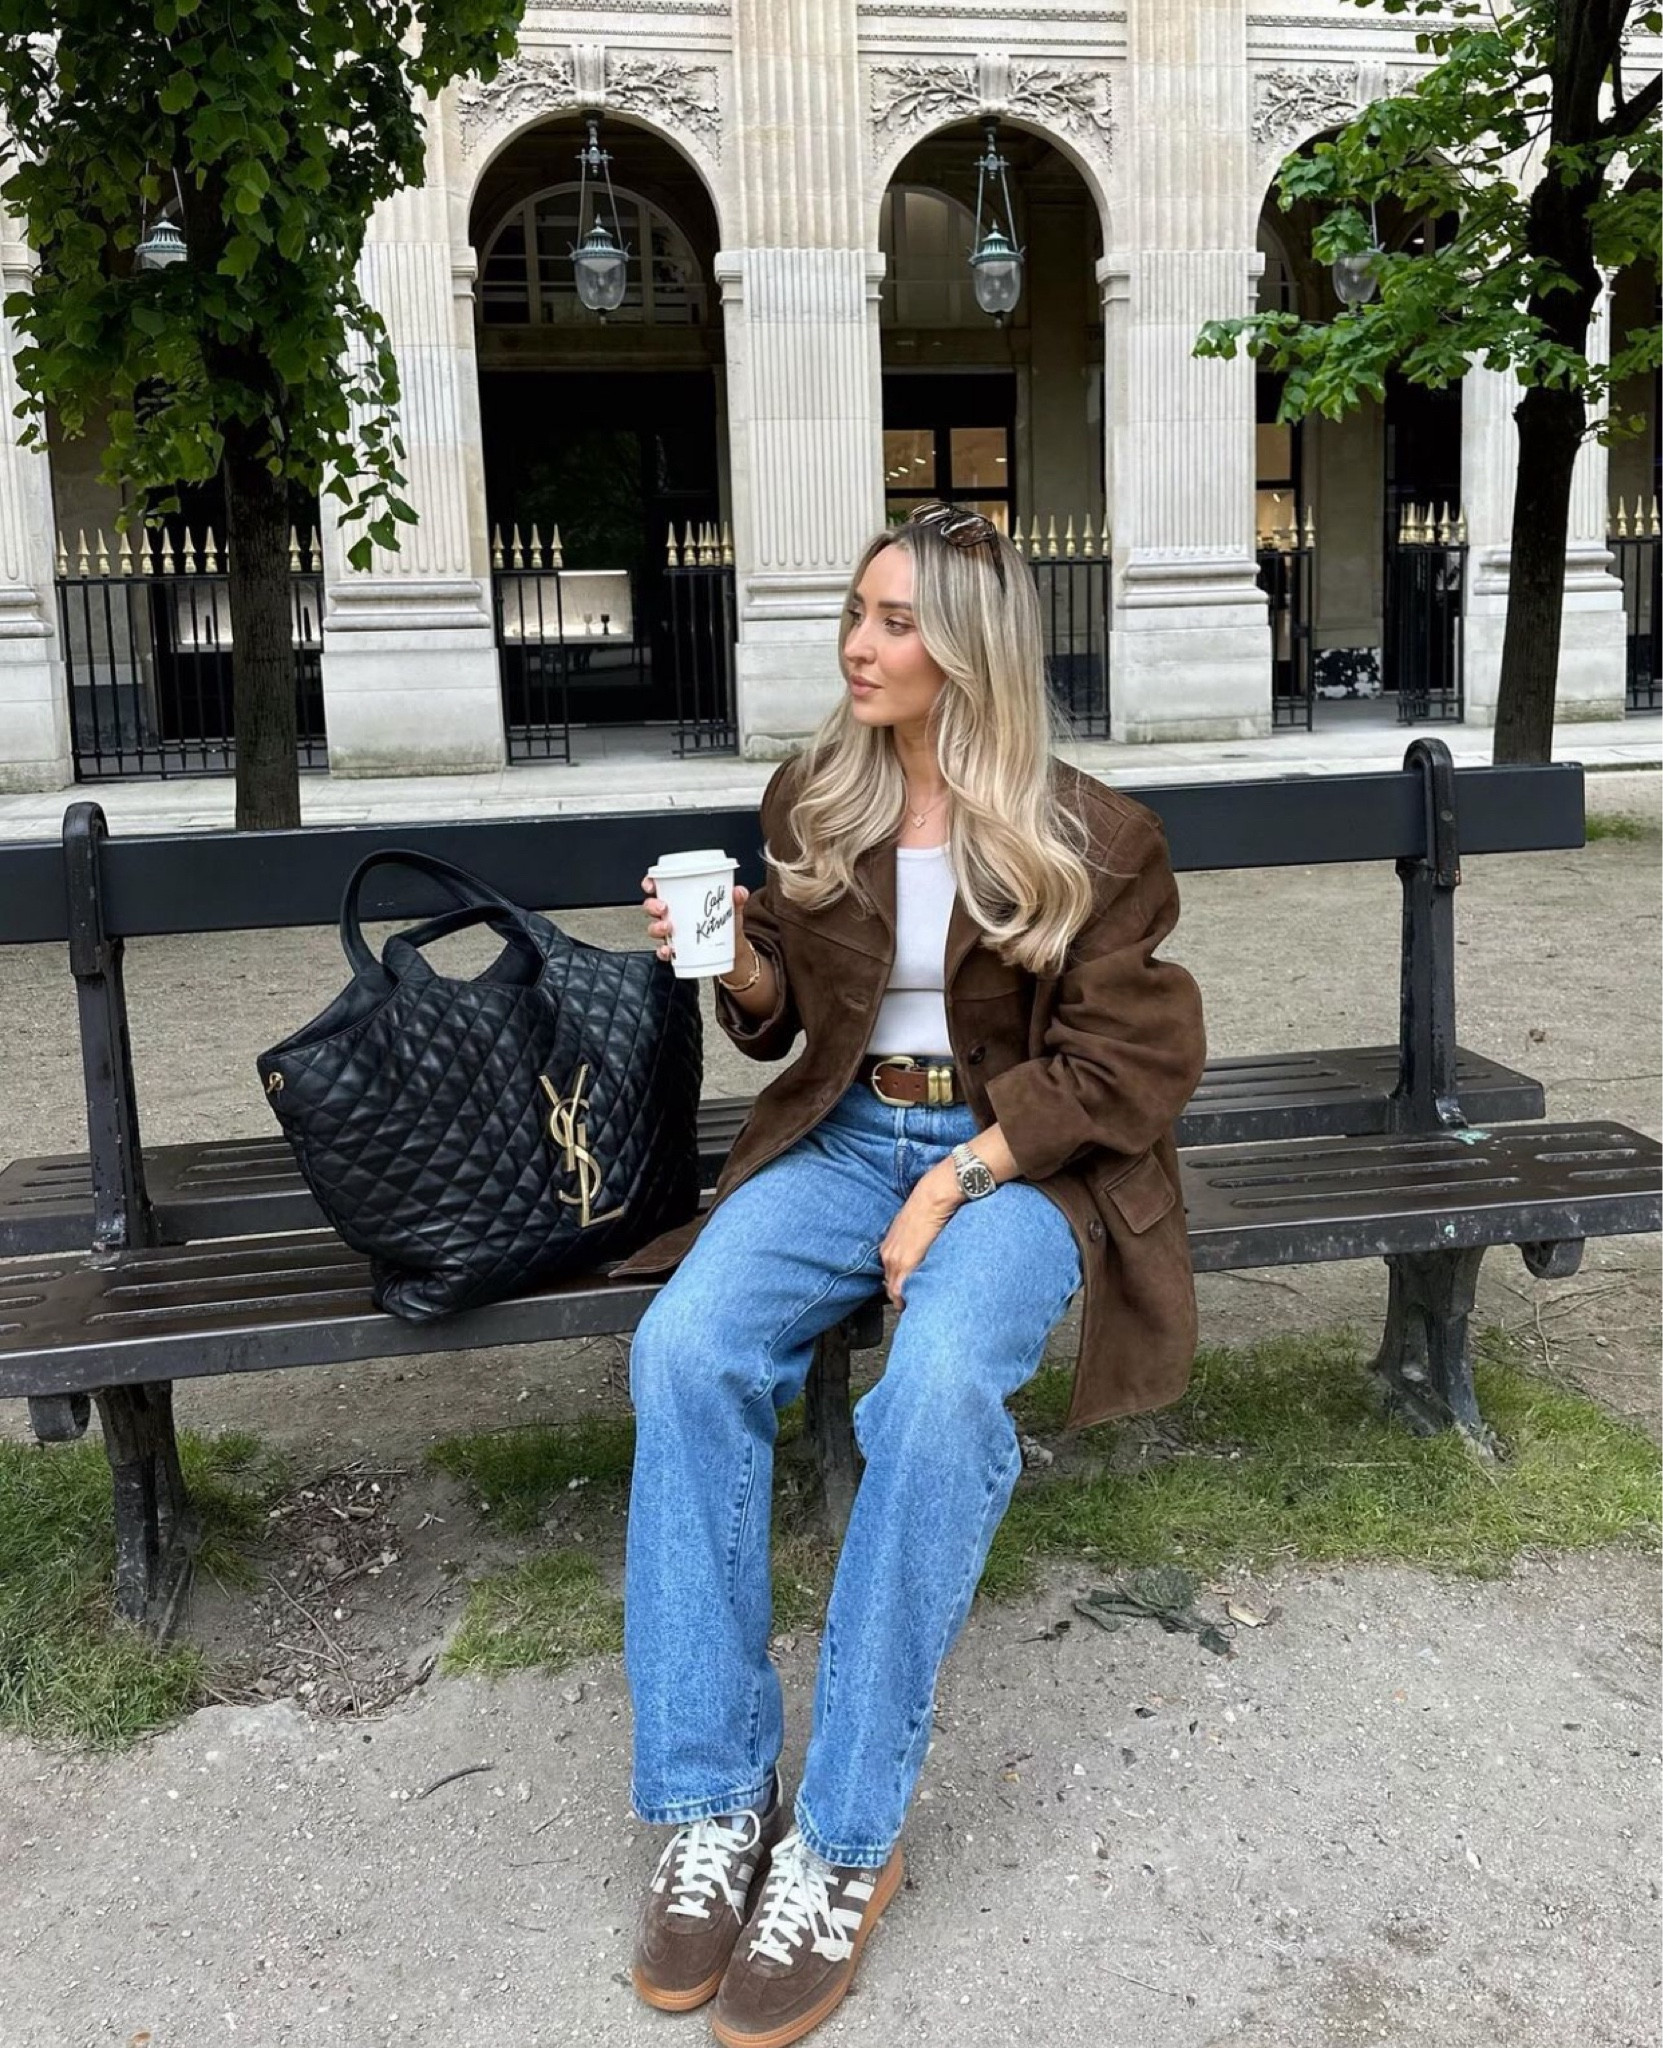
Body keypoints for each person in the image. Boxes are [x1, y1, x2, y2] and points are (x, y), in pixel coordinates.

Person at [611, 501, 1207, 2048]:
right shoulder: (821, 794)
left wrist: (959, 1177)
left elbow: (1131, 1060)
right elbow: (793, 1028)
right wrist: (741, 968)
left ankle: (843, 1841)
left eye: (893, 620)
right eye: (859, 615)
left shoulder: (1093, 836)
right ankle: (712, 1804)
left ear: (969, 649)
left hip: (1020, 1167)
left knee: (938, 1395)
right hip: (835, 1145)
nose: (860, 645)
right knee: (683, 1354)